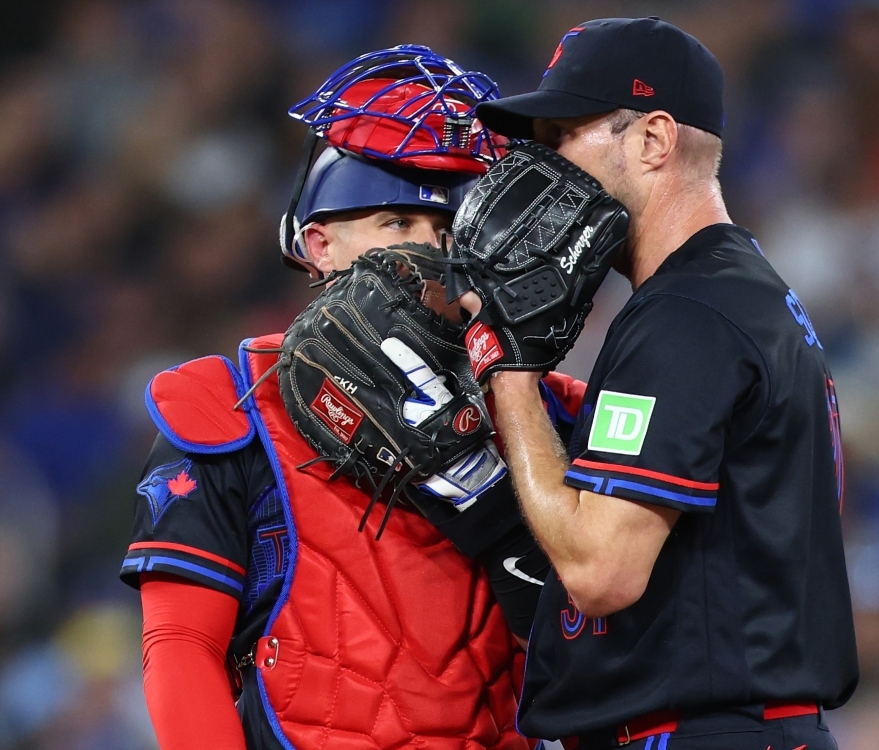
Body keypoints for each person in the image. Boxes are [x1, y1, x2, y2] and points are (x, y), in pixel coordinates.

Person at [121, 46, 578, 750]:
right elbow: (182, 645)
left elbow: (605, 656)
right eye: (395, 223)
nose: (428, 252)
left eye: (449, 232)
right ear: (320, 245)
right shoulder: (228, 405)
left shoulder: (542, 411)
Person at [468, 17, 861, 750]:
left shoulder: (686, 312)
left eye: (562, 137)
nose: (542, 170)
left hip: (703, 731)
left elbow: (602, 571)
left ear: (653, 140)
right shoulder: (736, 291)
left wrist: (511, 375)